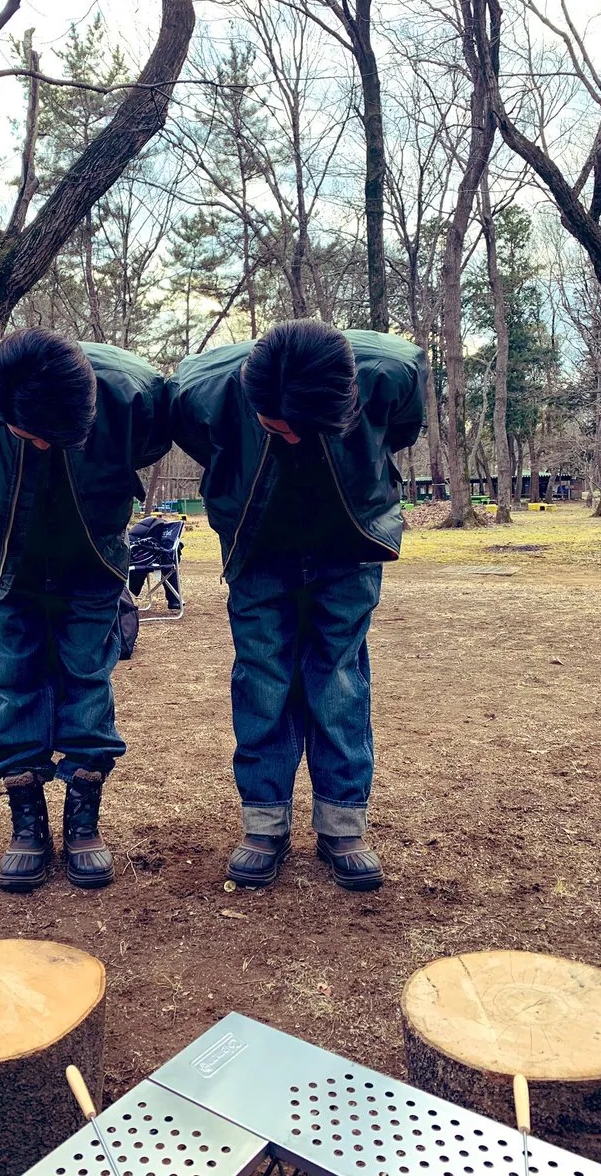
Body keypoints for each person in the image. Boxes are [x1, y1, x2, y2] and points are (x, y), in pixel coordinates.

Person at [170, 321, 426, 891]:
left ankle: (343, 825)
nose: (289, 439)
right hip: (258, 551)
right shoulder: (201, 391)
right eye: (275, 428)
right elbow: (203, 446)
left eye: (304, 431)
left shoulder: (394, 374)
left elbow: (399, 433)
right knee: (263, 679)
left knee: (338, 679)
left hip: (349, 546)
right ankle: (264, 825)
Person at [0, 328, 168, 892]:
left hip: (93, 563)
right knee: (14, 681)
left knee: (87, 679)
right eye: (28, 435)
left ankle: (84, 823)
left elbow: (145, 448)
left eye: (56, 437)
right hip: (6, 564)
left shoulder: (134, 392)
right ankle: (26, 824)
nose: (43, 447)